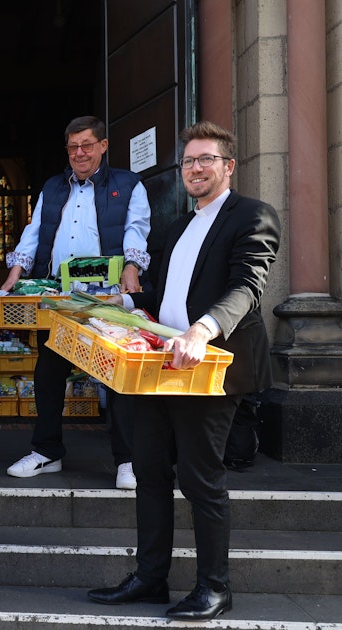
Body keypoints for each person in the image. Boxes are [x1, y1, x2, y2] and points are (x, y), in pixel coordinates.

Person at [87, 121, 280, 620]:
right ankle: (150, 579)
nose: (195, 169)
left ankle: (215, 587)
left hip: (210, 367)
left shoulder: (252, 216)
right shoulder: (177, 225)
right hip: (160, 368)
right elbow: (164, 297)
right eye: (189, 162)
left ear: (228, 166)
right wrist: (124, 300)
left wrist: (203, 329)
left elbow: (246, 287)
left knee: (199, 479)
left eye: (206, 160)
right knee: (150, 471)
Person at [1, 115, 152, 490]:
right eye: (72, 146)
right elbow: (32, 234)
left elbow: (137, 228)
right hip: (59, 296)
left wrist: (132, 268)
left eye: (86, 145)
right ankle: (47, 451)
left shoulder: (128, 184)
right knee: (48, 375)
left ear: (103, 146)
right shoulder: (52, 188)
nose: (79, 153)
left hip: (108, 296)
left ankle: (127, 460)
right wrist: (12, 279)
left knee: (117, 375)